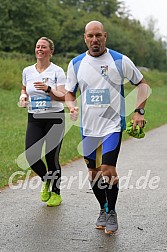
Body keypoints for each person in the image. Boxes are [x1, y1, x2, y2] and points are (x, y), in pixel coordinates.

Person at [65, 21, 148, 234]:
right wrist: (72, 106)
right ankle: (103, 208)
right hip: (88, 127)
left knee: (107, 169)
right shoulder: (76, 63)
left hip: (112, 125)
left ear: (105, 36)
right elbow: (69, 92)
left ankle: (112, 213)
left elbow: (142, 84)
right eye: (90, 36)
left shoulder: (119, 60)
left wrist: (139, 111)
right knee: (93, 173)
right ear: (85, 38)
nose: (95, 40)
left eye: (98, 36)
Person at [19, 37, 66, 207]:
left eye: (44, 47)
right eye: (37, 46)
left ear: (50, 52)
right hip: (35, 118)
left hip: (55, 118)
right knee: (31, 155)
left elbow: (63, 96)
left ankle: (56, 193)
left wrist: (48, 89)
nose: (40, 49)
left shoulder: (57, 71)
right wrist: (23, 97)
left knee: (51, 157)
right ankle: (47, 180)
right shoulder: (27, 71)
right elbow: (24, 89)